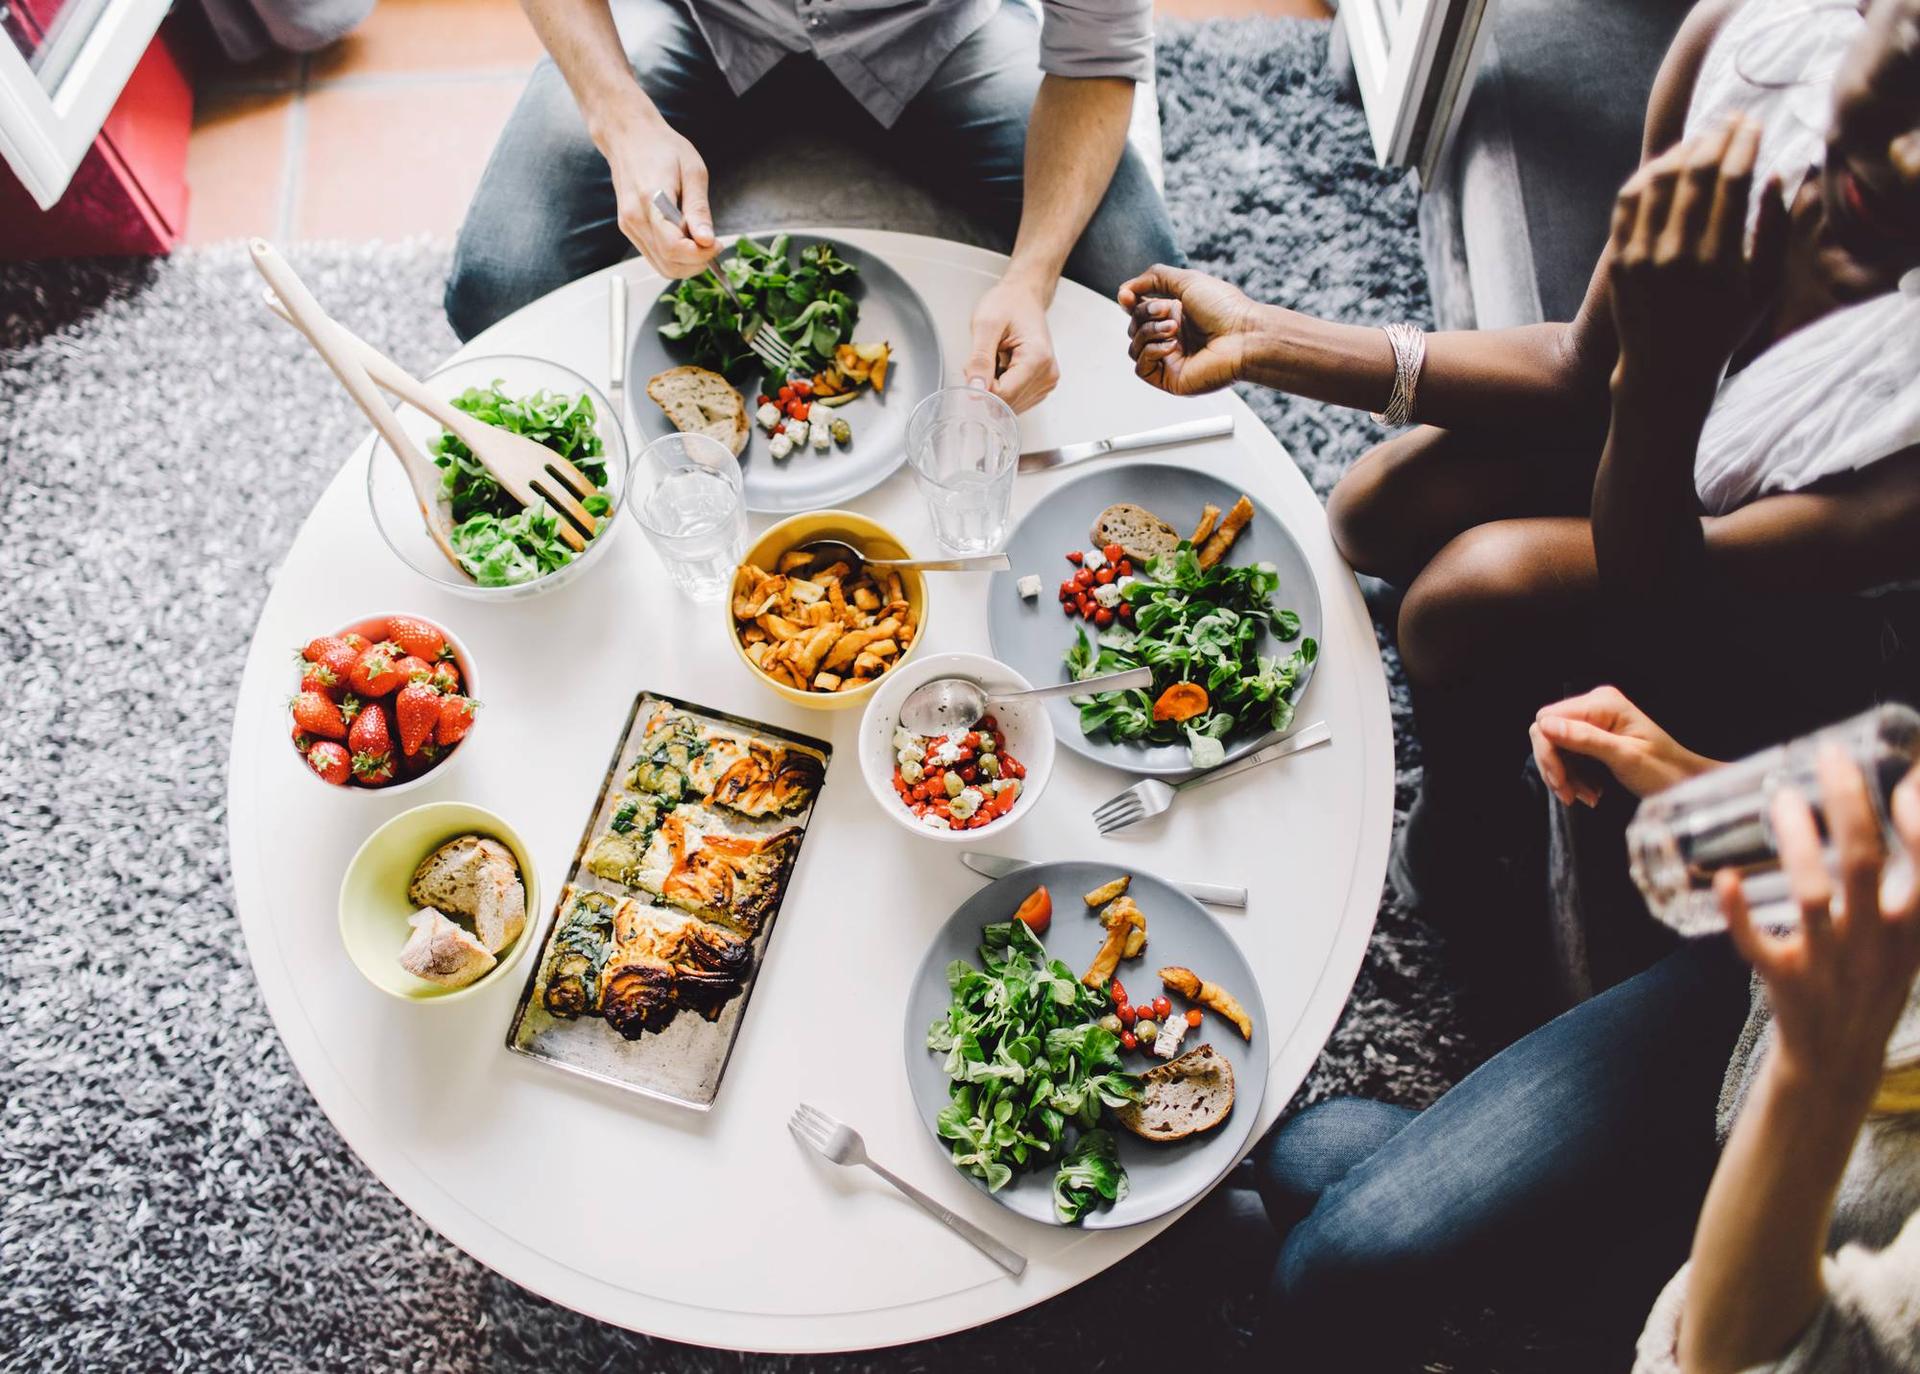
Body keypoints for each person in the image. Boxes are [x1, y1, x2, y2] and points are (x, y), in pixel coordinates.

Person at [1118, 0, 1920, 919]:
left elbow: (1667, 595)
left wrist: (1661, 379)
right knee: (1367, 506)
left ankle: (1467, 826)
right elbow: (1581, 368)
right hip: (1664, 432)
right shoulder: (1744, 43)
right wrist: (1266, 335)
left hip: (1765, 598)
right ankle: (1465, 687)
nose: (1910, 159)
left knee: (1465, 595)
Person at [1245, 685, 1920, 1372]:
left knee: (1328, 1251)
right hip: (1756, 1016)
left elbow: (1725, 1362)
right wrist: (1682, 774)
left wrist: (1813, 1072)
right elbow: (1861, 840)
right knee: (1305, 1161)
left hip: (1785, 1231)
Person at [446, 0, 1182, 413]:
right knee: (501, 279)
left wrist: (1033, 275)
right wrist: (620, 116)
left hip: (931, 36)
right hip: (699, 20)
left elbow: (1098, 49)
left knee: (1138, 273)